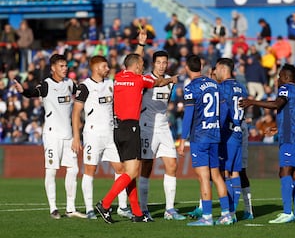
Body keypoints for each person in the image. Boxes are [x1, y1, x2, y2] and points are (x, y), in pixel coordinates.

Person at [95, 31, 177, 224]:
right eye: (141, 66)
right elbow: (158, 81)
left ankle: (137, 213)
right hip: (132, 127)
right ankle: (105, 204)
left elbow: (133, 60)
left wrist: (141, 44)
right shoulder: (141, 80)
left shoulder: (118, 77)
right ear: (138, 67)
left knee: (129, 172)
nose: (143, 68)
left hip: (117, 130)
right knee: (132, 172)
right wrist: (171, 80)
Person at [14, 54, 86, 219]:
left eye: (65, 65)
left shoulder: (70, 84)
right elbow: (33, 92)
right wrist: (23, 90)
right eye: (61, 66)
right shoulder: (47, 84)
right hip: (52, 134)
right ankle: (53, 207)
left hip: (68, 135)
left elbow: (83, 93)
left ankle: (70, 208)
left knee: (73, 169)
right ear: (53, 68)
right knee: (52, 170)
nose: (64, 68)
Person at [240, 63, 295, 223]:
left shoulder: (286, 89)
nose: (277, 79)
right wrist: (279, 128)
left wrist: (253, 102)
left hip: (290, 138)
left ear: (285, 77)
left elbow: (277, 104)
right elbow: (294, 115)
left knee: (284, 172)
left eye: (278, 76)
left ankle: (286, 212)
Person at [71, 55, 131, 220]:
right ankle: (90, 209)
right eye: (105, 66)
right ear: (96, 68)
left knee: (121, 169)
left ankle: (123, 207)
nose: (108, 69)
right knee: (90, 170)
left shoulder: (110, 84)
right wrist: (76, 137)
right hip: (93, 134)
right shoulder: (85, 86)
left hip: (110, 134)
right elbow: (76, 112)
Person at [177, 54, 232, 226]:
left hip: (199, 137)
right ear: (200, 67)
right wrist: (217, 126)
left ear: (187, 68)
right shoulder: (215, 85)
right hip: (214, 134)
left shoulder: (190, 87)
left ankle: (207, 217)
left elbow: (188, 116)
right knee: (216, 175)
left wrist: (182, 139)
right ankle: (226, 215)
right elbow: (224, 110)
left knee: (203, 177)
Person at [138, 50, 185, 221]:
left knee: (172, 164)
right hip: (147, 127)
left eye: (164, 63)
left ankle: (170, 209)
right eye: (158, 62)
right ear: (153, 64)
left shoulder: (171, 83)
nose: (162, 65)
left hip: (164, 127)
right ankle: (143, 209)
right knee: (146, 167)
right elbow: (155, 84)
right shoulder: (145, 80)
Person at [214, 58, 248, 222]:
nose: (215, 72)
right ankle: (233, 213)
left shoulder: (222, 88)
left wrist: (216, 131)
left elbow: (223, 111)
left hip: (227, 132)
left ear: (222, 68)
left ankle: (228, 213)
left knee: (223, 173)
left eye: (216, 69)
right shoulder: (241, 87)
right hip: (239, 131)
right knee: (235, 172)